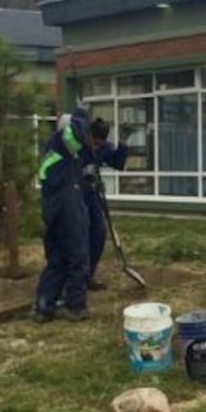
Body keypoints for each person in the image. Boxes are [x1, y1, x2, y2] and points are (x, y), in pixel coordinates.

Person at [33, 108, 93, 323]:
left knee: (56, 260)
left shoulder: (55, 151)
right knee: (78, 257)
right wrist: (83, 125)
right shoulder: (64, 140)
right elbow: (75, 133)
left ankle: (43, 305)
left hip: (52, 208)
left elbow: (78, 160)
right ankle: (75, 306)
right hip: (67, 208)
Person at [79, 118, 129, 290]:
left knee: (98, 234)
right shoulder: (77, 146)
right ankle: (76, 279)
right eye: (94, 142)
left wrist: (123, 143)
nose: (96, 146)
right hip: (75, 196)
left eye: (99, 144)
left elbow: (118, 163)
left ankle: (88, 276)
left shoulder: (103, 147)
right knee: (80, 236)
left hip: (92, 196)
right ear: (88, 136)